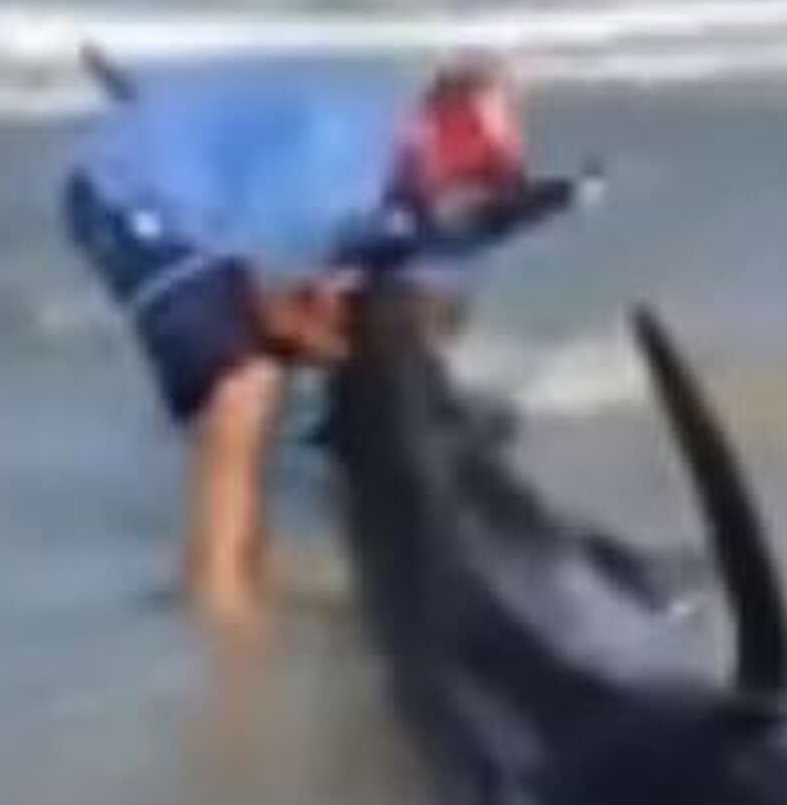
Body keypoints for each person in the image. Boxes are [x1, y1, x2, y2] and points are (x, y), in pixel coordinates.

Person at [61, 49, 597, 661]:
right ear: (424, 134)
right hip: (139, 192)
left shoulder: (462, 192)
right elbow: (269, 304)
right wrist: (333, 342)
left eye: (489, 175)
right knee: (243, 382)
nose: (470, 191)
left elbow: (434, 314)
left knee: (352, 350)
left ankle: (272, 554)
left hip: (238, 180)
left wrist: (395, 359)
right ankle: (221, 600)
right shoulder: (335, 164)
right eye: (466, 168)